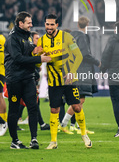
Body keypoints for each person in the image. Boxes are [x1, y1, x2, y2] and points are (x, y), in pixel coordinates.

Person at [37, 14, 92, 149]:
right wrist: (37, 56)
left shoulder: (66, 37)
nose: (49, 27)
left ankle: (84, 134)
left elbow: (78, 56)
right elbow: (38, 60)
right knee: (54, 109)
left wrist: (72, 71)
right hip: (54, 81)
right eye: (47, 24)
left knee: (76, 106)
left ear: (57, 25)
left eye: (52, 24)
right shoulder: (42, 41)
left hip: (69, 79)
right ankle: (53, 141)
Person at [5, 11, 51, 149]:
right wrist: (39, 59)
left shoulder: (27, 37)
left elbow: (28, 53)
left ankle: (34, 139)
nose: (31, 24)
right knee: (14, 110)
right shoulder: (12, 39)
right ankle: (15, 141)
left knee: (33, 107)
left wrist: (36, 51)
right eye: (28, 22)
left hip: (28, 78)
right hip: (15, 80)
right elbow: (18, 58)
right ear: (20, 23)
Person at [59, 16, 100, 135]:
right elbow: (85, 54)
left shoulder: (72, 36)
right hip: (82, 72)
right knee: (79, 100)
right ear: (88, 25)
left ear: (78, 25)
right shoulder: (83, 36)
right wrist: (98, 62)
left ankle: (75, 125)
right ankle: (64, 124)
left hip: (73, 70)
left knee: (78, 100)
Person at [31, 31, 50, 131]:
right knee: (32, 101)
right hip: (28, 78)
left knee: (33, 101)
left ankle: (41, 123)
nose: (39, 40)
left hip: (34, 77)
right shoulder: (30, 50)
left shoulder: (38, 49)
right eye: (36, 38)